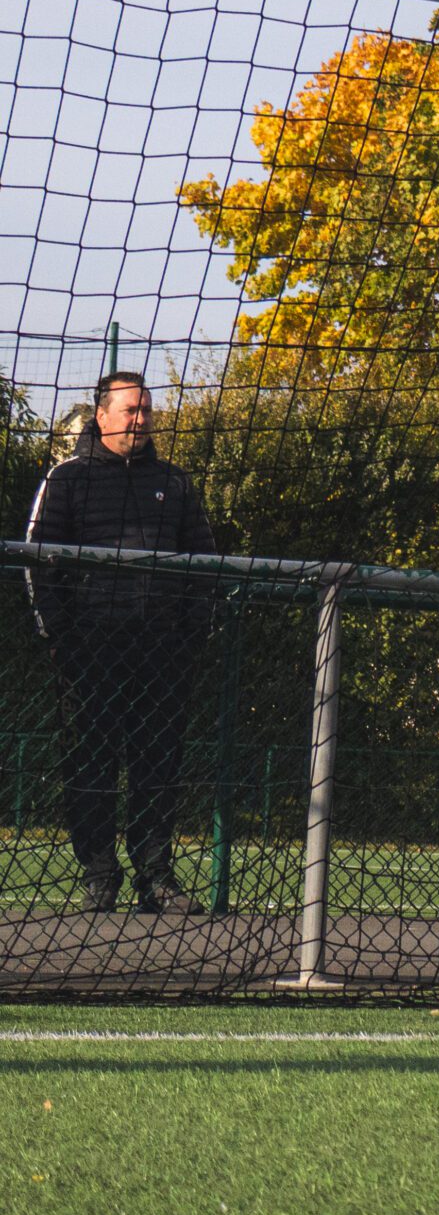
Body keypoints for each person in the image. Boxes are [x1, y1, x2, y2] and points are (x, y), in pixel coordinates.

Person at [25, 372, 218, 914]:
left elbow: (205, 566)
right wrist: (60, 636)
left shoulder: (175, 483)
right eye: (131, 410)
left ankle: (156, 877)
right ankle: (99, 875)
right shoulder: (66, 479)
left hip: (161, 654)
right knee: (91, 764)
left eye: (146, 411)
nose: (140, 419)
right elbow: (38, 563)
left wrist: (191, 636)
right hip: (90, 653)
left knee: (158, 765)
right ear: (102, 415)